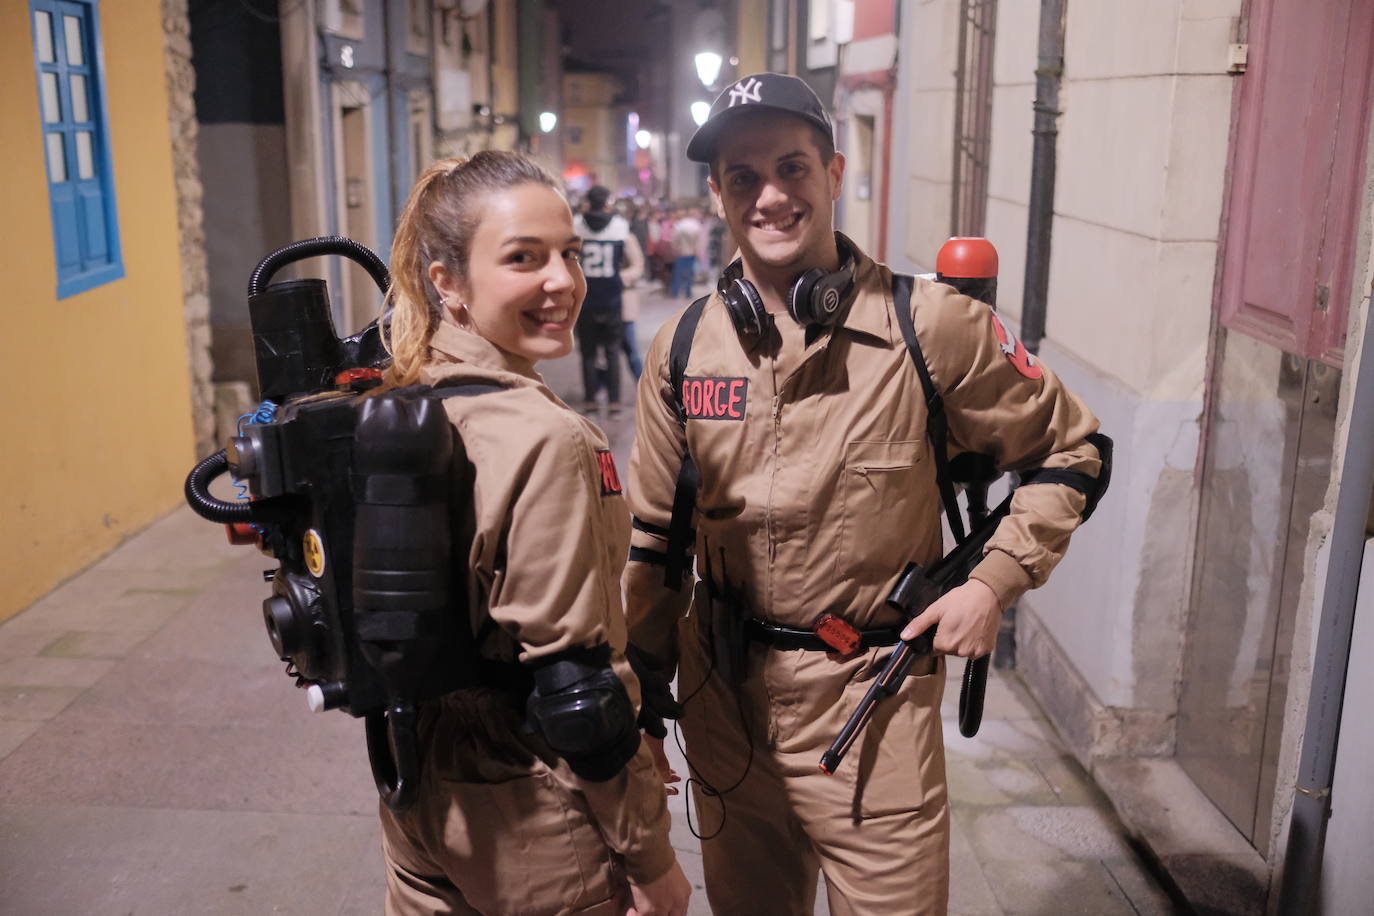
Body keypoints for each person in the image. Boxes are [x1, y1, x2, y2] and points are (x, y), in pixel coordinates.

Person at [622, 74, 1106, 915]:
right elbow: (655, 549)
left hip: (871, 713)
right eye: (744, 178)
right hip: (723, 706)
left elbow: (1075, 450)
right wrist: (637, 713)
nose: (770, 196)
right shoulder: (683, 348)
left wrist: (993, 582)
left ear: (834, 173)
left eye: (793, 168)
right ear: (718, 193)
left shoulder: (934, 326)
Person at [378, 151, 691, 916]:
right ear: (445, 280)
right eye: (524, 258)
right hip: (532, 814)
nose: (563, 281)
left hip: (417, 794)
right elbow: (577, 689)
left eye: (570, 254)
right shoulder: (543, 437)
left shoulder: (401, 401)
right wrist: (653, 862)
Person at [574, 185, 645, 416]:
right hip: (613, 298)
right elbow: (636, 264)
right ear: (607, 203)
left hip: (586, 298)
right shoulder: (620, 227)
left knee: (588, 353)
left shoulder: (577, 226)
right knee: (613, 351)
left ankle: (591, 400)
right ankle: (614, 402)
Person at [668, 207, 702, 299]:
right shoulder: (695, 225)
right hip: (691, 252)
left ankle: (675, 292)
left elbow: (674, 239)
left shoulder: (679, 225)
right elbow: (698, 240)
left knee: (678, 273)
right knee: (689, 273)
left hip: (681, 252)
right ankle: (688, 293)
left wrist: (674, 249)